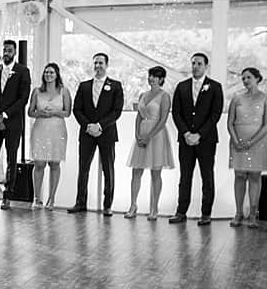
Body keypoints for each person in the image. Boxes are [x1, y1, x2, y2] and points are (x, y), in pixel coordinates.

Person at [170, 52, 223, 225]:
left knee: (207, 176)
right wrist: (186, 133)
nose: (195, 66)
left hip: (206, 140)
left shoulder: (215, 87)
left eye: (199, 63)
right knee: (185, 176)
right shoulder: (182, 86)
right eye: (193, 63)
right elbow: (176, 113)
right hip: (185, 140)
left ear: (206, 66)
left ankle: (206, 213)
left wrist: (199, 134)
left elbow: (215, 114)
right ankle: (181, 212)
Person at [69, 52, 123, 215]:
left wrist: (100, 126)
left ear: (107, 65)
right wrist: (88, 126)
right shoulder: (84, 86)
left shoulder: (116, 86)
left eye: (101, 63)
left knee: (108, 169)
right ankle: (80, 202)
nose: (98, 66)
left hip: (106, 133)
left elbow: (116, 111)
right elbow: (77, 109)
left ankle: (107, 205)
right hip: (87, 133)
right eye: (95, 63)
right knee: (83, 168)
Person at [226, 66, 267, 229]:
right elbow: (230, 122)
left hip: (258, 142)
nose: (245, 81)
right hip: (237, 141)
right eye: (243, 78)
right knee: (239, 176)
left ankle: (253, 214)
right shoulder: (237, 98)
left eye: (248, 77)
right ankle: (238, 213)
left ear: (257, 79)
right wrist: (235, 140)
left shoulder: (266, 98)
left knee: (254, 176)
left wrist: (251, 142)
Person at [124, 65, 172, 220]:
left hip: (156, 135)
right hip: (142, 133)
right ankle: (133, 205)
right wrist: (137, 133)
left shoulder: (164, 96)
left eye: (154, 76)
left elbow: (163, 119)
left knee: (155, 172)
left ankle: (154, 208)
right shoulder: (143, 95)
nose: (151, 78)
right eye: (150, 75)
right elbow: (139, 116)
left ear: (161, 79)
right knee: (136, 171)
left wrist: (149, 136)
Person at [0, 40, 30, 209]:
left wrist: (4, 115)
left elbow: (23, 98)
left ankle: (8, 195)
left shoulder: (22, 71)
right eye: (4, 50)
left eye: (9, 50)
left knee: (11, 158)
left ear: (15, 52)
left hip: (12, 122)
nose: (6, 53)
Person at [25, 62, 69, 210]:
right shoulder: (37, 91)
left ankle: (52, 199)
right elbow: (30, 112)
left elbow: (67, 112)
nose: (48, 75)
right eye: (46, 72)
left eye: (51, 72)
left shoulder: (64, 91)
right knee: (39, 163)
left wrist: (54, 113)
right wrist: (40, 113)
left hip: (57, 130)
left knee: (54, 164)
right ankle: (37, 198)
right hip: (40, 129)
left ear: (57, 75)